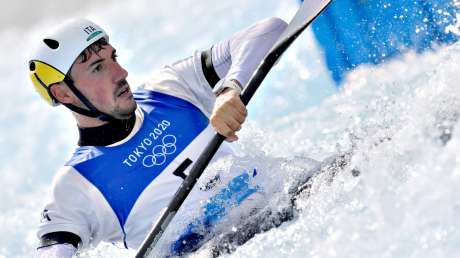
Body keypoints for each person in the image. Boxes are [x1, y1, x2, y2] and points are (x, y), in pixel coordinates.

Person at [29, 16, 287, 257]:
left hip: (283, 208)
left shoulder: (172, 88)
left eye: (114, 58)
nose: (121, 73)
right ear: (63, 94)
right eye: (98, 68)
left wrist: (231, 88)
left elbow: (272, 30)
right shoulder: (76, 185)